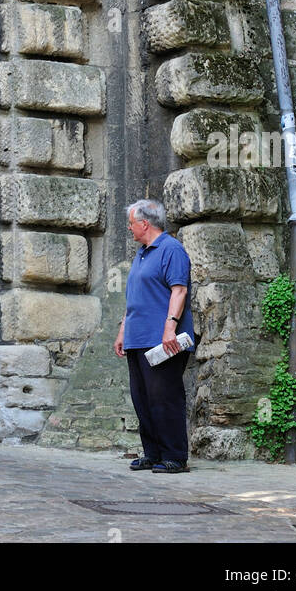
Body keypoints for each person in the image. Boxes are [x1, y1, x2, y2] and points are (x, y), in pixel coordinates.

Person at [114, 199, 195, 474]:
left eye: (131, 223)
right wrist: (123, 330)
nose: (129, 228)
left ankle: (174, 456)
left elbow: (179, 290)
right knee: (142, 398)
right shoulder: (141, 253)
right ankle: (153, 453)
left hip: (162, 340)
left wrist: (170, 326)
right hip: (138, 338)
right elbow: (133, 298)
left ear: (144, 223)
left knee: (165, 396)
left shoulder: (171, 249)